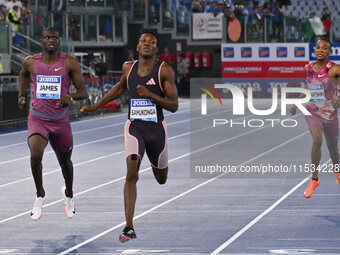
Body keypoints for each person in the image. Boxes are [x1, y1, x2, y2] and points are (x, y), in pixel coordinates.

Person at [80, 31, 178, 242]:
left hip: (156, 131)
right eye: (143, 40)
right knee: (131, 171)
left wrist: (151, 95)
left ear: (156, 49)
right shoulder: (128, 67)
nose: (147, 44)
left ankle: (156, 164)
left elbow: (174, 105)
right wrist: (97, 105)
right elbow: (121, 87)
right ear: (137, 45)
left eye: (151, 42)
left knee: (161, 178)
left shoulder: (164, 71)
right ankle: (129, 227)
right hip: (134, 128)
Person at [18, 27, 87, 220]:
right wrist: (21, 95)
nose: (51, 40)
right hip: (38, 119)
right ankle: (40, 194)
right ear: (41, 41)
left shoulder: (69, 62)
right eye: (47, 37)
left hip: (60, 121)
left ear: (59, 40)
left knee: (65, 162)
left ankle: (69, 194)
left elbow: (83, 92)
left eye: (54, 37)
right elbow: (23, 74)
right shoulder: (31, 62)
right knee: (35, 154)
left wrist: (69, 97)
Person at [290, 39, 340, 198]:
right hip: (313, 111)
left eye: (325, 48)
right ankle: (314, 179)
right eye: (318, 47)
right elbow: (309, 87)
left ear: (329, 52)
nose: (320, 50)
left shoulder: (334, 70)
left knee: (333, 150)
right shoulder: (308, 68)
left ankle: (337, 171)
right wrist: (298, 102)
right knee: (317, 140)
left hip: (330, 114)